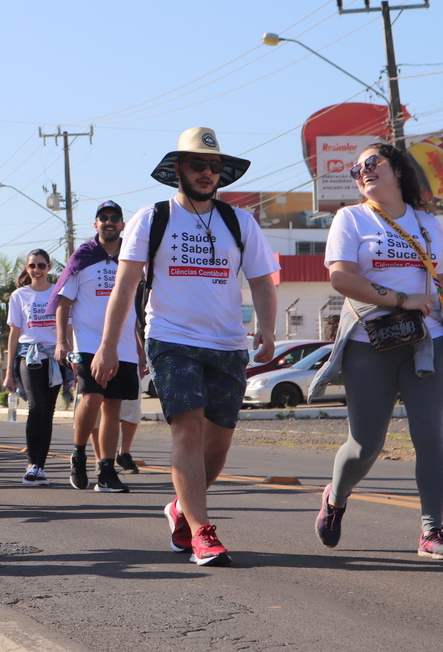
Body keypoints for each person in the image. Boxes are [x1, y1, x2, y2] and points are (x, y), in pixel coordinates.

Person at [95, 127, 278, 567]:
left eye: (214, 166)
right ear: (178, 169)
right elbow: (124, 287)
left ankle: (181, 507)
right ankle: (202, 531)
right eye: (198, 164)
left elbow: (262, 281)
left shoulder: (241, 222)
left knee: (219, 441)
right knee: (188, 429)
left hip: (228, 345)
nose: (207, 173)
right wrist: (107, 347)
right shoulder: (152, 218)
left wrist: (267, 329)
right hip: (171, 338)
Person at [309, 143, 443, 560]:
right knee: (366, 444)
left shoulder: (429, 223)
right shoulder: (350, 218)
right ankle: (336, 497)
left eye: (372, 163)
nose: (364, 172)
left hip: (427, 342)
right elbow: (341, 278)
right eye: (357, 168)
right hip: (369, 342)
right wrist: (400, 299)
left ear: (398, 169)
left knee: (430, 435)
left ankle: (432, 531)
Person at [51, 200, 142, 494]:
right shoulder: (83, 258)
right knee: (91, 398)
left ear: (122, 224)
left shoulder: (131, 260)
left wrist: (141, 348)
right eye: (103, 218)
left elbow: (138, 307)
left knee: (113, 406)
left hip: (124, 345)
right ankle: (78, 455)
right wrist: (62, 340)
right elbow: (63, 303)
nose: (109, 222)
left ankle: (106, 471)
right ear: (95, 224)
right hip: (88, 343)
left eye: (115, 217)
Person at [3, 249, 60, 486]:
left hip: (55, 357)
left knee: (48, 411)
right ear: (27, 269)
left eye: (41, 266)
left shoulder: (58, 292)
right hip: (29, 355)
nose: (36, 270)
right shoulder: (19, 296)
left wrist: (73, 362)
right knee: (36, 406)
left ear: (48, 268)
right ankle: (31, 463)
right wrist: (8, 372)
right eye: (32, 266)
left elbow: (67, 327)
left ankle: (40, 466)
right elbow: (14, 332)